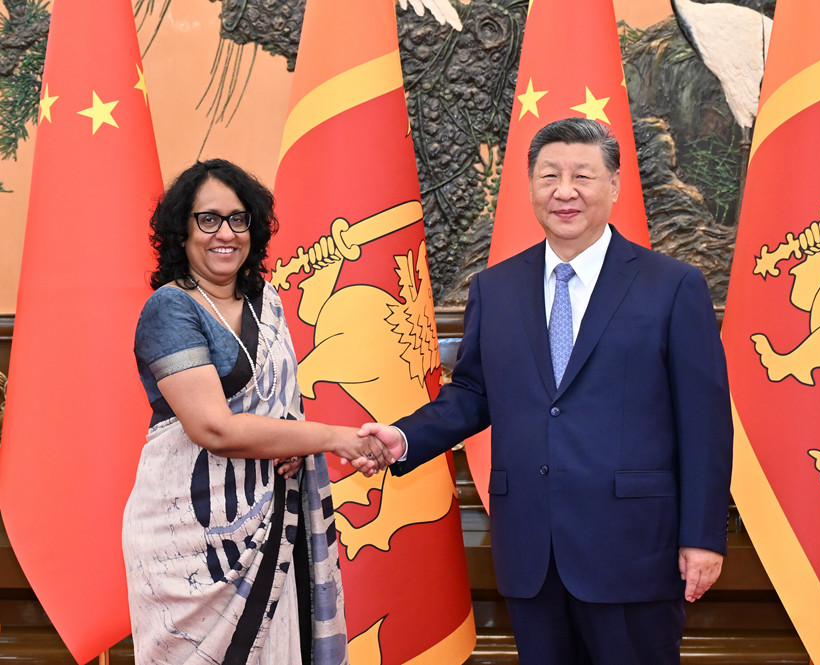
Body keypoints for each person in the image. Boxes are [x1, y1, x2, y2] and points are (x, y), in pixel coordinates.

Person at [362, 118, 733, 664]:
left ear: (614, 185)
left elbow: (705, 423)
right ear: (531, 186)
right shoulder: (496, 288)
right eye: (549, 176)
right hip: (531, 551)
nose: (564, 191)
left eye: (582, 175)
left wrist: (702, 536)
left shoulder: (673, 286)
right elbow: (473, 392)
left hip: (633, 550)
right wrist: (404, 438)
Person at [122, 159, 391, 665]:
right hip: (189, 542)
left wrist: (291, 441)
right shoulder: (170, 309)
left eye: (238, 219)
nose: (225, 233)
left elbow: (282, 407)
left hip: (273, 523)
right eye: (208, 219)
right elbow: (214, 428)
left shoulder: (266, 302)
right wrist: (332, 438)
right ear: (181, 231)